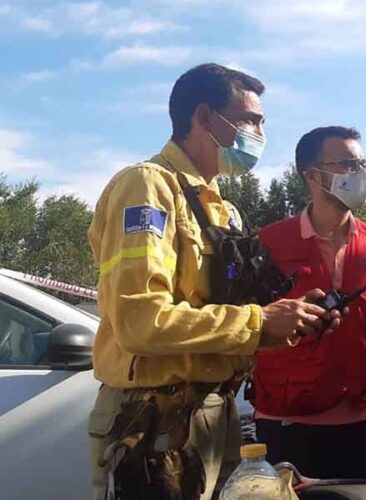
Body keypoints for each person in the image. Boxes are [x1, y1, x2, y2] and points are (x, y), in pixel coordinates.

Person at [87, 63, 337, 499]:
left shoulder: (224, 209)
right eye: (251, 120)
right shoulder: (147, 188)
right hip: (151, 422)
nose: (261, 131)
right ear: (204, 118)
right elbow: (139, 320)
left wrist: (290, 321)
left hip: (215, 416)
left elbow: (229, 321)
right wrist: (259, 323)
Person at [251, 126, 366, 481]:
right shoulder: (268, 244)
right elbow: (245, 327)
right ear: (311, 175)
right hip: (286, 425)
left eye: (362, 164)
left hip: (361, 425)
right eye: (347, 164)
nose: (360, 174)